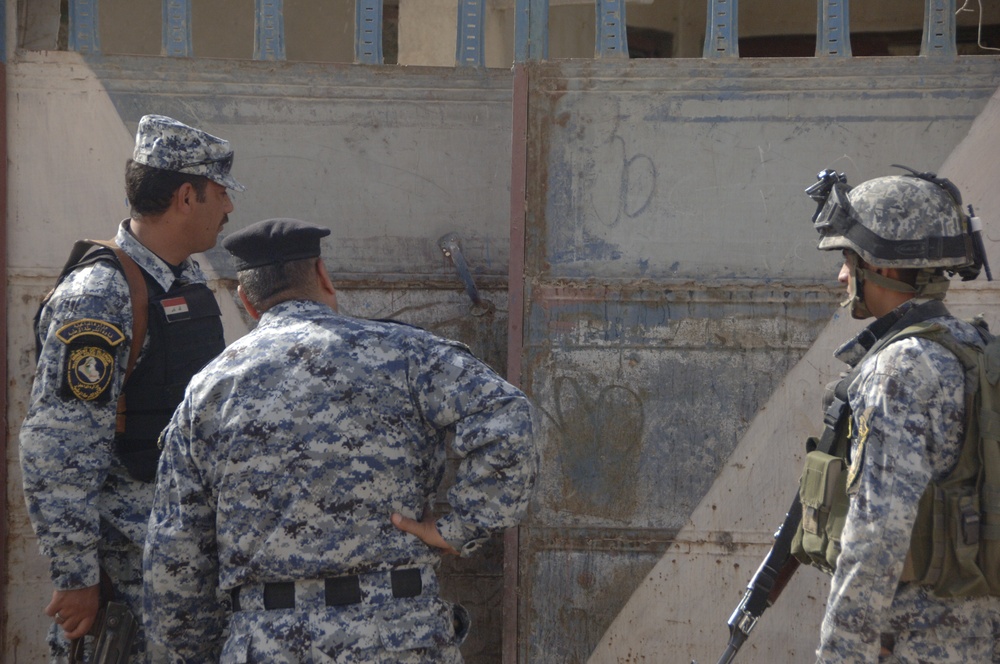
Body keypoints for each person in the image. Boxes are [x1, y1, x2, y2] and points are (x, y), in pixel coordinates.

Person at [143, 218, 537, 663]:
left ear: (246, 301)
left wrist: (190, 653)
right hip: (398, 637)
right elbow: (506, 416)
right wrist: (456, 528)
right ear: (324, 277)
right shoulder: (408, 353)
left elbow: (175, 552)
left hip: (267, 644)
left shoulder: (208, 391)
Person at [19, 114, 245, 662]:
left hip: (186, 571)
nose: (230, 208)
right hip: (127, 579)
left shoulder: (184, 281)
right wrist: (76, 576)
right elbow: (59, 448)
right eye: (221, 193)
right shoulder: (101, 295)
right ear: (186, 196)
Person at [803, 167, 999, 661]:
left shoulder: (898, 369)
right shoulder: (977, 350)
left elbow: (877, 534)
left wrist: (840, 653)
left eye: (850, 258)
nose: (842, 274)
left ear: (885, 269)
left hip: (916, 640)